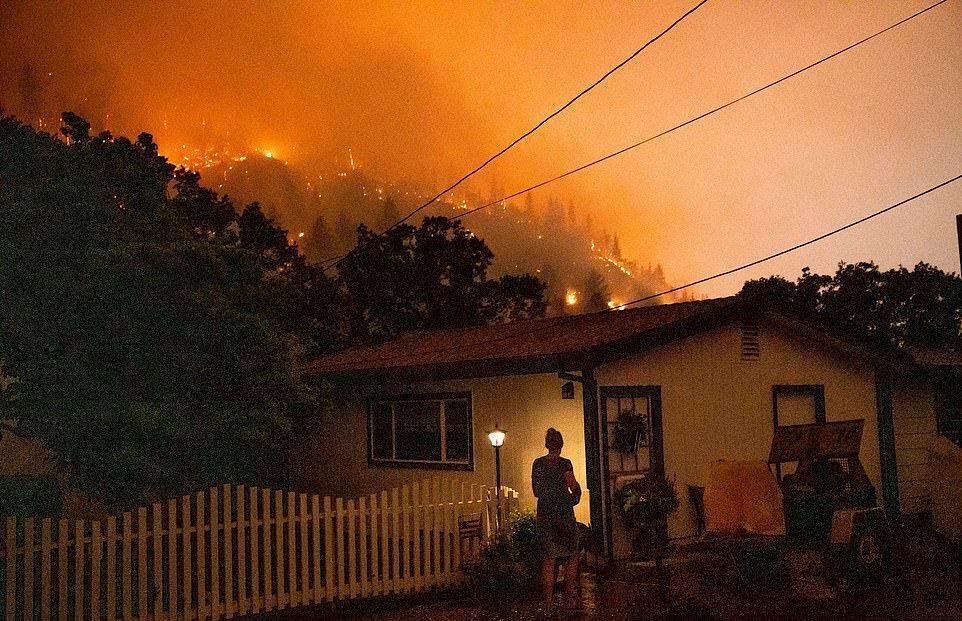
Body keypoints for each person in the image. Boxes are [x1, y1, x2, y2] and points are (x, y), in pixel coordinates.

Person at [531, 427, 582, 612]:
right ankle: (569, 602)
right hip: (564, 516)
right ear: (561, 445)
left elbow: (536, 491)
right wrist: (575, 496)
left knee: (548, 560)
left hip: (545, 516)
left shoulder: (537, 464)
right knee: (571, 557)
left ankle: (547, 605)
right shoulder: (565, 464)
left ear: (546, 445)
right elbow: (573, 485)